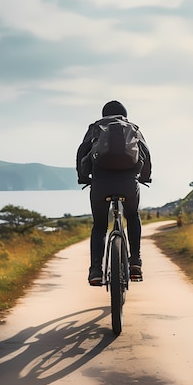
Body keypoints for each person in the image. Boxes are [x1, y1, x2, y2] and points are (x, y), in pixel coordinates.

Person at [76, 100, 152, 286]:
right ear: (125, 114)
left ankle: (95, 270)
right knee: (133, 216)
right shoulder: (132, 128)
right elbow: (146, 154)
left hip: (101, 183)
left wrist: (84, 177)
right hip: (128, 183)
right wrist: (145, 177)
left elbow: (82, 153)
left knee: (100, 226)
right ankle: (135, 263)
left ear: (104, 114)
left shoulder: (96, 128)